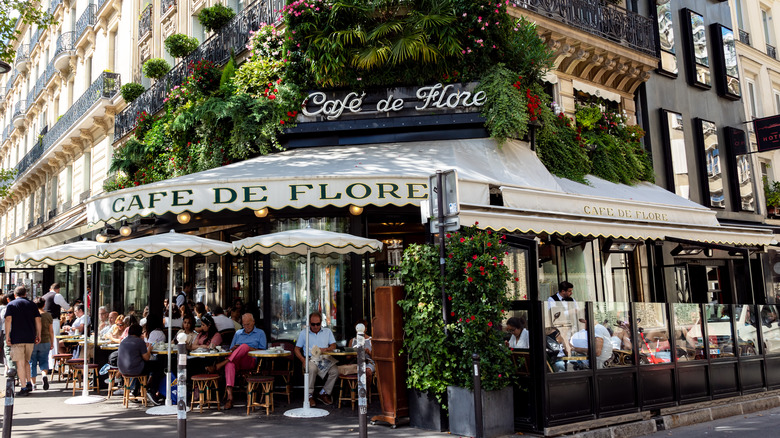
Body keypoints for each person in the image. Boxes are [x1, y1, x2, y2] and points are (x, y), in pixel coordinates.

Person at [206, 313, 266, 409]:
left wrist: (248, 348)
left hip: (250, 360)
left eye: (248, 324)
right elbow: (231, 351)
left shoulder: (260, 333)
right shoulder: (238, 333)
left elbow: (263, 351)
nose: (246, 327)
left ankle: (219, 365)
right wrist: (234, 348)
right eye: (244, 324)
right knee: (230, 364)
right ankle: (230, 398)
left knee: (244, 346)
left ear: (253, 322)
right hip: (237, 359)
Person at [294, 312, 338, 407]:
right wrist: (303, 360)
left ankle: (324, 393)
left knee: (335, 371)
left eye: (317, 324)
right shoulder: (304, 333)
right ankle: (309, 395)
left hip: (324, 358)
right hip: (310, 358)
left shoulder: (327, 332)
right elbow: (296, 349)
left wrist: (326, 349)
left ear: (321, 322)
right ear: (309, 323)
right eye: (313, 324)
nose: (315, 326)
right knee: (312, 369)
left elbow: (333, 345)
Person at [4, 286, 41, 396]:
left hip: (17, 337)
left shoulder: (11, 304)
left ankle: (24, 387)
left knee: (19, 362)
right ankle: (29, 382)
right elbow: (38, 320)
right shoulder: (32, 305)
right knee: (26, 361)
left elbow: (8, 319)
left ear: (15, 295)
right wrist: (38, 334)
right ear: (26, 294)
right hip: (30, 337)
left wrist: (7, 336)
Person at [117, 323, 164, 405]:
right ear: (139, 332)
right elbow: (146, 358)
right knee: (158, 366)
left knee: (143, 367)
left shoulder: (123, 341)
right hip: (135, 369)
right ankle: (151, 390)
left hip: (122, 369)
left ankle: (135, 390)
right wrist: (149, 349)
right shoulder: (139, 341)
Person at [30, 298, 54, 390]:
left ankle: (33, 384)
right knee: (44, 361)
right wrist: (52, 342)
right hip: (45, 340)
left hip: (33, 341)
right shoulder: (48, 315)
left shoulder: (32, 315)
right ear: (44, 305)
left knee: (32, 362)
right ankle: (44, 375)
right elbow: (51, 331)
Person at [42, 283, 69, 362]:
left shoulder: (44, 296)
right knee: (54, 341)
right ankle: (53, 364)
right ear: (58, 289)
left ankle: (47, 363)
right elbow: (66, 307)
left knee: (47, 340)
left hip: (44, 320)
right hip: (53, 321)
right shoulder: (57, 296)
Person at [348, 319, 375, 383]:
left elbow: (375, 357)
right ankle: (353, 390)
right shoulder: (352, 341)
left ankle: (367, 392)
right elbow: (348, 357)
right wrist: (354, 354)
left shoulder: (371, 340)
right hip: (356, 363)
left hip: (368, 363)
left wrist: (368, 352)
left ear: (366, 329)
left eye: (363, 327)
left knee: (367, 371)